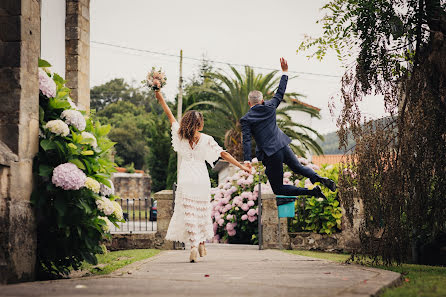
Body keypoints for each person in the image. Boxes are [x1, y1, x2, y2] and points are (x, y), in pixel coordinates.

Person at [155, 89, 250, 263]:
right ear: (200, 124)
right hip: (201, 179)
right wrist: (241, 166)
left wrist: (159, 93)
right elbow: (224, 154)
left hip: (185, 178)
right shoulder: (207, 139)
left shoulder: (180, 135)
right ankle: (200, 242)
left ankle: (193, 246)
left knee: (189, 213)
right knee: (201, 213)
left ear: (186, 122)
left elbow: (169, 114)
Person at [240, 58, 336, 198]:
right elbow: (280, 92)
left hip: (271, 154)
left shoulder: (246, 119)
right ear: (262, 101)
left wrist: (247, 160)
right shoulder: (270, 106)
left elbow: (247, 141)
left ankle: (312, 192)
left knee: (278, 188)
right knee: (299, 168)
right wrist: (285, 72)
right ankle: (320, 179)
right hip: (283, 146)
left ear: (249, 103)